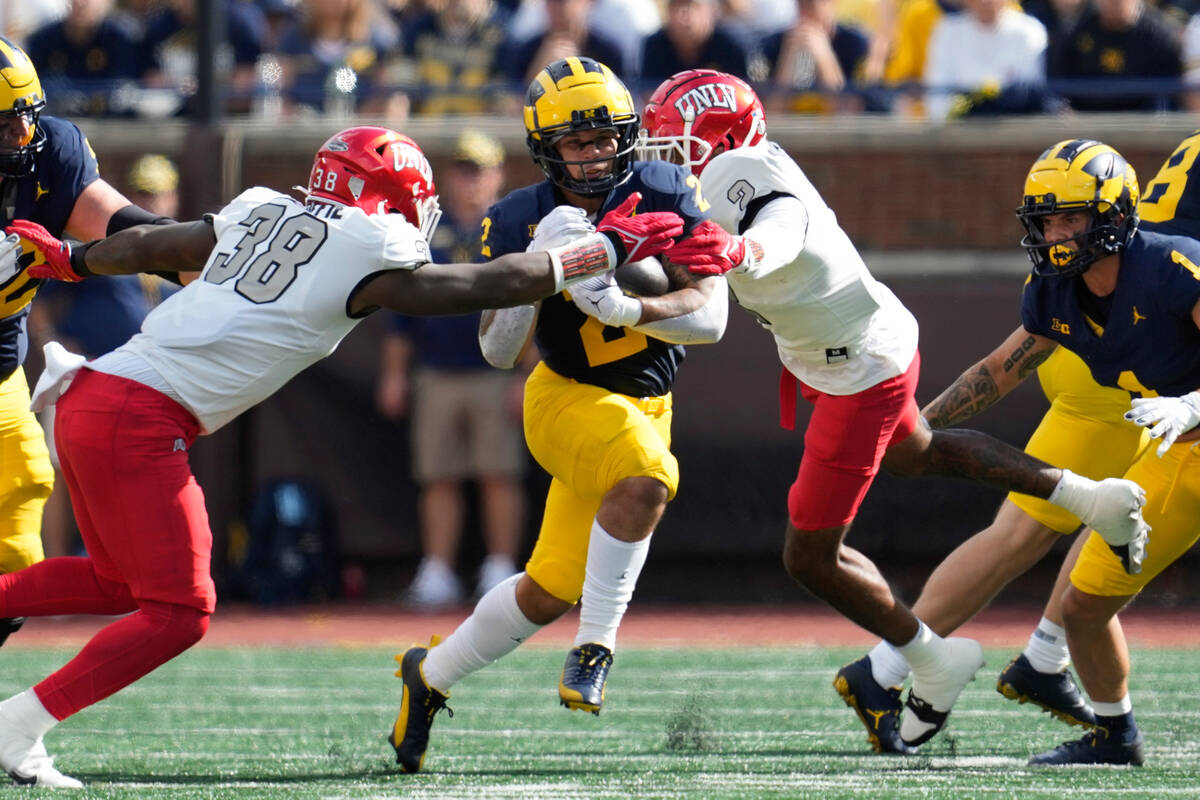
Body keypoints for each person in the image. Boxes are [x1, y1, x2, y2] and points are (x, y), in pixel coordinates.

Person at [0, 123, 686, 788]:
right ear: (389, 194)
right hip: (138, 415)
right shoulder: (370, 239)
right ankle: (18, 726)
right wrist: (596, 251)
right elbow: (482, 287)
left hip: (96, 394)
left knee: (124, 582)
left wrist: (70, 258)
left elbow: (151, 245)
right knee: (181, 610)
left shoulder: (263, 204)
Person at [635, 70, 1151, 754]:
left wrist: (740, 251)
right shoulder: (728, 170)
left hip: (859, 368)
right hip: (850, 347)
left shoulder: (743, 170)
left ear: (721, 138)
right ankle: (1085, 496)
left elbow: (780, 223)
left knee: (810, 556)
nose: (660, 157)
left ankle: (931, 658)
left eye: (673, 144)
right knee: (918, 450)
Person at [388, 56, 728, 775]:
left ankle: (429, 675)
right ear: (547, 149)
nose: (596, 152)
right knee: (647, 477)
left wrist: (630, 306)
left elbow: (713, 318)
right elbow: (494, 348)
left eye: (605, 137)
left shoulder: (666, 186)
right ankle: (596, 645)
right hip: (565, 395)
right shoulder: (516, 216)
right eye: (577, 142)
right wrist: (541, 269)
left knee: (546, 590)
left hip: (645, 402)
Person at [857, 137, 1200, 766]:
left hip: (1186, 426)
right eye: (1045, 220)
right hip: (1177, 450)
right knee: (1082, 602)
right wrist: (915, 431)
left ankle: (1031, 665)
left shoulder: (1173, 268)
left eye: (1070, 217)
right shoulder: (1055, 292)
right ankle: (1110, 729)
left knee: (1037, 544)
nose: (1054, 234)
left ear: (1114, 214)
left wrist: (1194, 404)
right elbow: (998, 371)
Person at [0, 35, 176, 651]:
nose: (22, 137)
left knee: (17, 553)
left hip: (1, 372)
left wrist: (199, 254)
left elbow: (122, 225)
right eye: (4, 126)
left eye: (25, 118)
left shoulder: (53, 153)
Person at [376, 130, 526, 609]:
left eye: (479, 169)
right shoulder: (425, 230)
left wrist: (528, 375)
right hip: (436, 369)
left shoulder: (511, 228)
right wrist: (395, 374)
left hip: (496, 370)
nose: (470, 180)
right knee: (437, 475)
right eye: (462, 169)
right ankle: (438, 568)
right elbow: (400, 312)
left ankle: (501, 565)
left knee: (498, 472)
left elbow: (534, 307)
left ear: (498, 175)